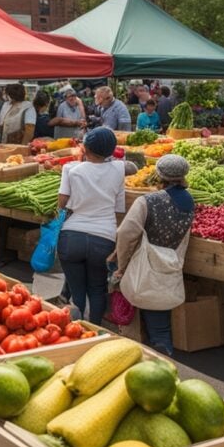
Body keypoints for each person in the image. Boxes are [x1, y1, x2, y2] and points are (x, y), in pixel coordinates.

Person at [113, 154, 194, 354]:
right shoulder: (190, 201)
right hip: (171, 259)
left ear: (159, 175)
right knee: (160, 309)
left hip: (147, 261)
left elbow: (125, 234)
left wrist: (121, 266)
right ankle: (163, 347)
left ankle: (155, 353)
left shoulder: (147, 201)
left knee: (150, 304)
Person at [57, 127, 125, 325]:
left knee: (77, 291)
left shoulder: (70, 169)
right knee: (97, 289)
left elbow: (61, 203)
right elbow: (119, 208)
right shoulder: (119, 169)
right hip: (103, 238)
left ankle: (76, 330)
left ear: (85, 148)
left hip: (71, 237)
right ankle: (95, 330)